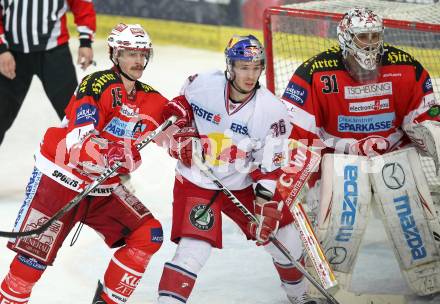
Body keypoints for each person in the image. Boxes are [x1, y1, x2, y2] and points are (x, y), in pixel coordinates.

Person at [0, 23, 187, 304]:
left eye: (141, 54)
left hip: (102, 188)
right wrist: (107, 152)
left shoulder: (151, 98)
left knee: (148, 234)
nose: (137, 61)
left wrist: (186, 126)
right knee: (31, 262)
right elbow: (79, 135)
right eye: (129, 54)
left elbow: (177, 142)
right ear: (114, 54)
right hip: (59, 180)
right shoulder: (96, 83)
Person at [281, 7, 440, 297]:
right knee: (340, 222)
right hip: (340, 160)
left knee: (414, 218)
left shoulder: (407, 67)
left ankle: (429, 273)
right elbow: (297, 132)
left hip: (393, 158)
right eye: (362, 36)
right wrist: (292, 178)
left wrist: (430, 134)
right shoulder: (314, 72)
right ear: (345, 37)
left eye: (374, 35)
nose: (370, 42)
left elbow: (422, 116)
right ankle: (325, 282)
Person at [156, 35, 320, 304]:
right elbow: (179, 106)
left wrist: (264, 202)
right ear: (230, 66)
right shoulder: (203, 84)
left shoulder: (272, 111)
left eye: (256, 67)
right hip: (197, 179)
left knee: (285, 238)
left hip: (241, 183)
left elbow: (269, 168)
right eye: (244, 67)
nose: (250, 74)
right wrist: (183, 131)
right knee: (193, 250)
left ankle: (299, 295)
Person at [0, 0, 96, 145]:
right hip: (11, 55)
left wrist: (85, 40)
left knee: (76, 117)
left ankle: (90, 160)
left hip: (54, 52)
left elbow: (81, 3)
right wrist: (1, 49)